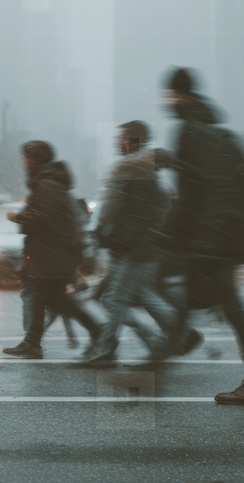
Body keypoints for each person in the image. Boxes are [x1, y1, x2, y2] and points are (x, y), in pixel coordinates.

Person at [154, 68, 244, 405]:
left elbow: (195, 194)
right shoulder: (211, 133)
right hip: (223, 236)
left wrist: (172, 235)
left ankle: (148, 376)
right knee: (220, 309)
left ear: (185, 97)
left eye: (173, 95)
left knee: (201, 309)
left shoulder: (191, 133)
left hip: (212, 240)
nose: (169, 102)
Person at [80, 121, 199, 367]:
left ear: (133, 141)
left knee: (114, 299)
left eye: (121, 138)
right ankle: (179, 334)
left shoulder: (132, 171)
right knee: (139, 296)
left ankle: (111, 347)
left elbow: (117, 209)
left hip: (136, 249)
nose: (117, 142)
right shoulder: (144, 171)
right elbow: (154, 209)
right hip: (135, 247)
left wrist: (105, 233)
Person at [3, 141, 101, 359]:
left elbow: (41, 219)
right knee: (42, 297)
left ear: (36, 160)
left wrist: (17, 217)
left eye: (27, 158)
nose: (24, 163)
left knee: (57, 300)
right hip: (50, 252)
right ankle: (32, 343)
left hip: (53, 253)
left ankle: (98, 331)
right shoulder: (48, 182)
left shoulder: (47, 184)